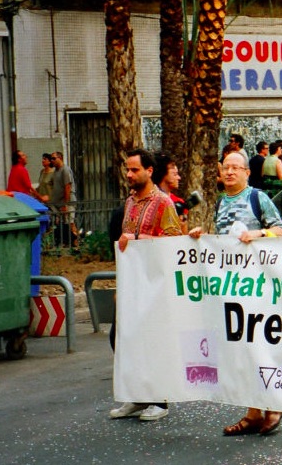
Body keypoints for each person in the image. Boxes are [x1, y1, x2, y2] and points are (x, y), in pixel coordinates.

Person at [188, 152, 282, 435]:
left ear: (247, 172)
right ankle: (253, 411)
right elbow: (219, 239)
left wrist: (259, 235)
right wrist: (199, 235)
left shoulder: (258, 198)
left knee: (261, 346)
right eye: (226, 168)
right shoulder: (220, 201)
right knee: (240, 349)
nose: (230, 172)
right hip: (230, 287)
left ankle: (274, 403)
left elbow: (280, 231)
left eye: (236, 168)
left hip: (259, 287)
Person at [109, 149, 183, 422]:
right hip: (132, 285)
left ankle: (160, 400)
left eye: (134, 170)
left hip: (155, 285)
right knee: (123, 337)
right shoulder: (129, 202)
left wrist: (137, 236)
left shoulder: (163, 203)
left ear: (149, 171)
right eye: (127, 170)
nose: (129, 175)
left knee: (153, 340)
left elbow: (174, 240)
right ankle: (138, 395)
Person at [152, 152, 189, 234]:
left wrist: (182, 224)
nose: (179, 178)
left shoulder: (179, 202)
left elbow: (183, 235)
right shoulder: (151, 200)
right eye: (175, 174)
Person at [49, 151, 79, 248]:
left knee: (70, 222)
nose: (52, 160)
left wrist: (65, 204)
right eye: (51, 158)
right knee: (64, 224)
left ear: (60, 158)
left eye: (54, 158)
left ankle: (77, 242)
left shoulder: (65, 170)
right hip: (59, 203)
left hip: (67, 202)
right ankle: (67, 243)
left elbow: (67, 187)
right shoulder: (56, 171)